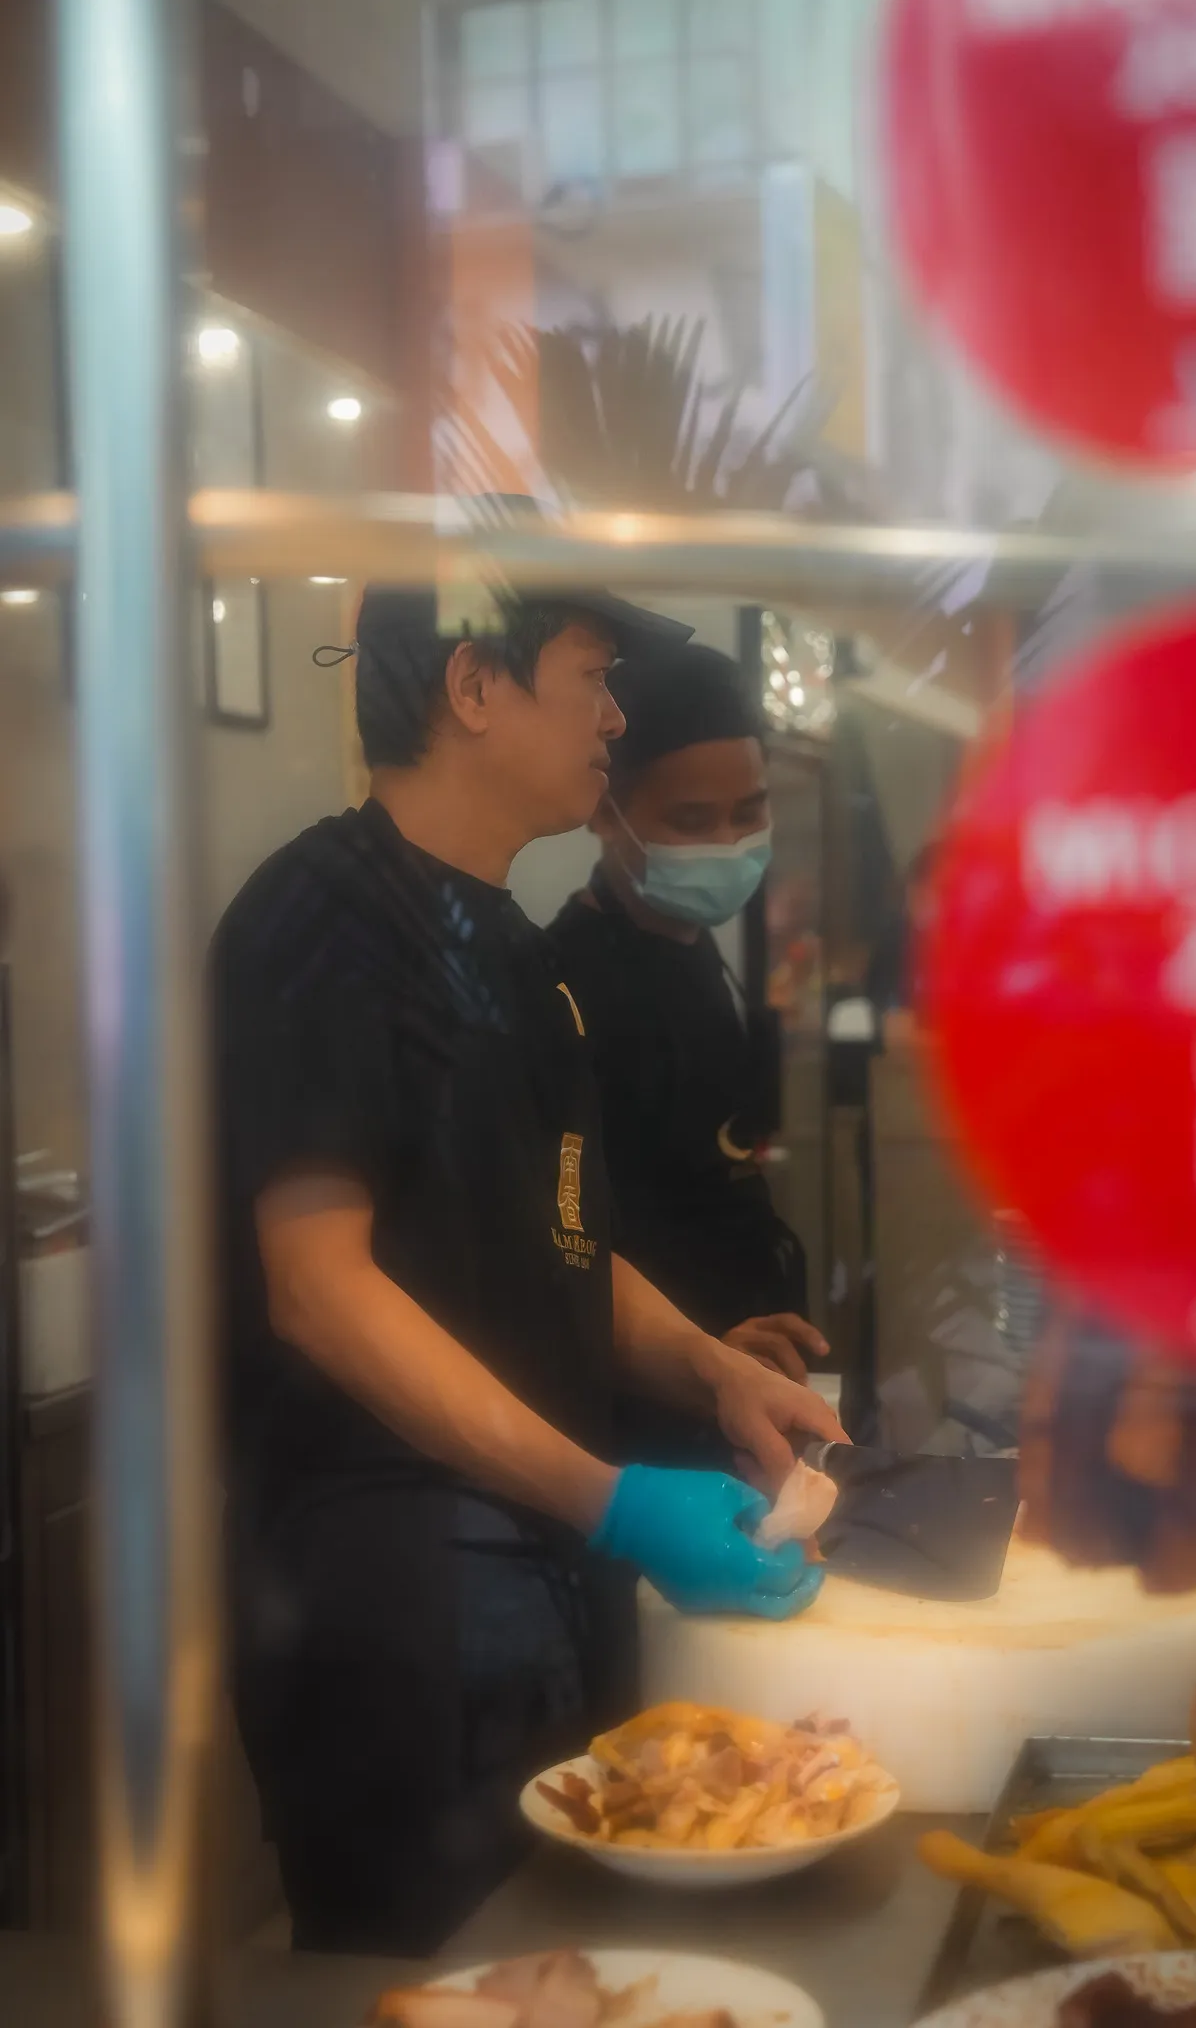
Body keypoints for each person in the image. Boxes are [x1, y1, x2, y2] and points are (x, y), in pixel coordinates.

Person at [212, 587, 843, 1957]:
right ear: (473, 687)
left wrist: (713, 1369)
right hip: (392, 1599)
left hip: (534, 1570)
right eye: (591, 677)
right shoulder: (324, 921)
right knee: (440, 1982)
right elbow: (317, 1286)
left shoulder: (511, 952)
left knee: (570, 1968)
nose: (615, 717)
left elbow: (558, 1244)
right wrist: (610, 1496)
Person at [547, 644, 827, 1469]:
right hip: (647, 1416)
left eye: (751, 811)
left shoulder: (695, 947)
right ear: (606, 811)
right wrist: (699, 1355)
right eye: (693, 823)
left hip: (747, 1383)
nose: (732, 842)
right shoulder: (566, 986)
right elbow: (564, 1243)